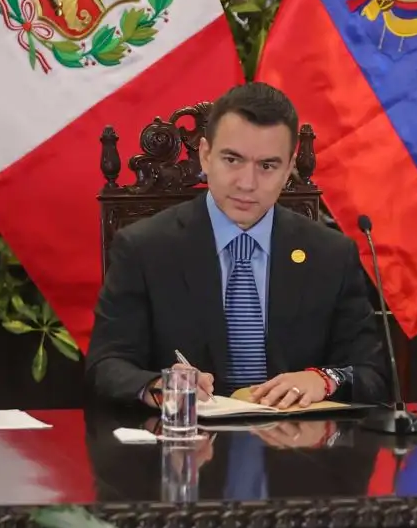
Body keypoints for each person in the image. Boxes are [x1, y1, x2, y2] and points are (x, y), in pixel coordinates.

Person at [87, 82, 390, 409]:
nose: (247, 183)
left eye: (267, 166)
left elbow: (372, 374)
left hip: (297, 449)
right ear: (205, 155)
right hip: (189, 449)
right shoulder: (144, 248)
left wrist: (324, 379)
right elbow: (106, 366)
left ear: (289, 169)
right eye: (232, 159)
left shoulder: (331, 255)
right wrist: (159, 385)